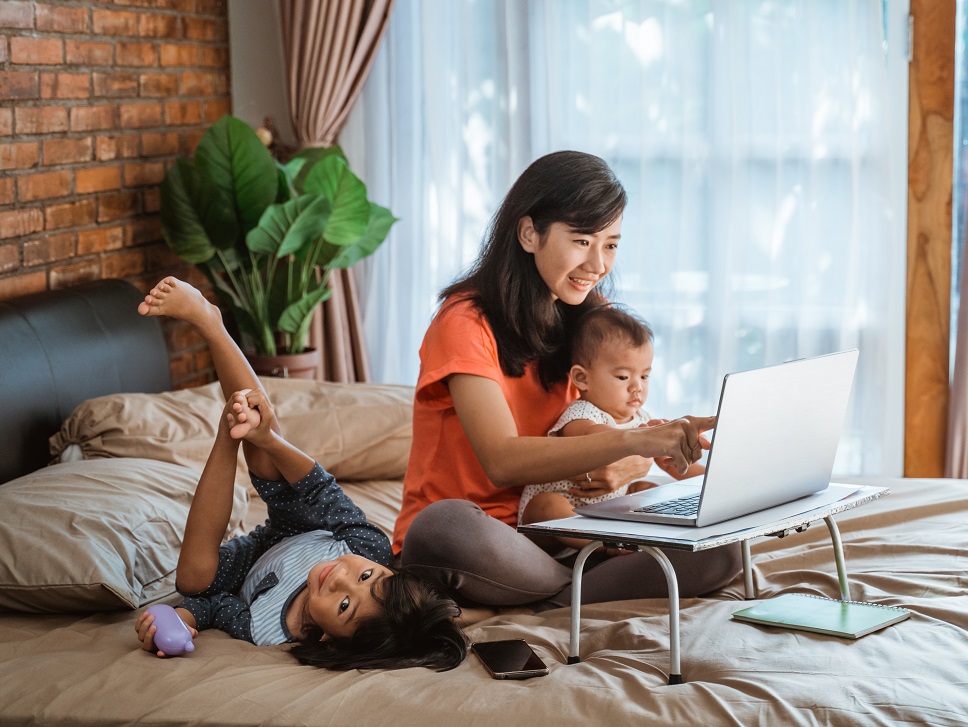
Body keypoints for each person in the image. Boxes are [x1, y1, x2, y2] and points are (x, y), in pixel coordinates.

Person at [395, 150, 742, 610]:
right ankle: (574, 588)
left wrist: (666, 447)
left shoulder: (591, 318)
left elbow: (618, 420)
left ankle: (557, 592)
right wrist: (631, 445)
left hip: (569, 531)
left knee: (724, 549)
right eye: (582, 241)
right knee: (444, 526)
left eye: (611, 244)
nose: (598, 263)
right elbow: (502, 460)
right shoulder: (464, 321)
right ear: (529, 233)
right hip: (483, 539)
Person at [132, 277, 468, 671]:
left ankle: (229, 435)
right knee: (263, 455)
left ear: (328, 640)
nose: (340, 579)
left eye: (344, 606)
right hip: (304, 522)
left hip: (254, 556)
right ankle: (211, 324)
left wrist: (185, 620)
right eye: (364, 577)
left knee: (191, 579)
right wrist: (270, 439)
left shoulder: (266, 630)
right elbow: (318, 488)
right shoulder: (368, 547)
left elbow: (211, 605)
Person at [517, 304, 705, 553]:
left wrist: (709, 479)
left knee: (649, 491)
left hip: (602, 518)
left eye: (645, 376)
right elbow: (595, 437)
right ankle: (608, 547)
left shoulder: (641, 419)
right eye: (623, 377)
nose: (636, 387)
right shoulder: (581, 416)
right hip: (554, 527)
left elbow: (678, 466)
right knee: (547, 505)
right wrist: (648, 438)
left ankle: (635, 544)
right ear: (582, 379)